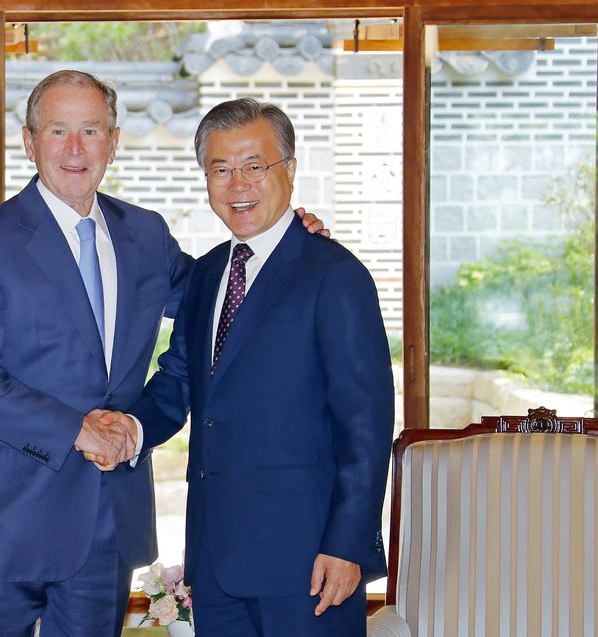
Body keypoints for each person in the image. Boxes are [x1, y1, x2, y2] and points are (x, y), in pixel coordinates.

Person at [0, 71, 327, 636]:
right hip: (6, 523)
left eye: (91, 130)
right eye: (58, 131)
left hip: (107, 520)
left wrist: (284, 244)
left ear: (113, 142)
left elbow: (215, 299)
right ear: (29, 141)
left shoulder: (144, 234)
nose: (75, 149)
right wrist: (77, 429)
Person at [105, 98, 395, 636]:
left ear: (289, 169)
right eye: (220, 168)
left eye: (254, 166)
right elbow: (178, 381)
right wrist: (131, 426)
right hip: (216, 561)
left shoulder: (335, 275)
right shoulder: (209, 273)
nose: (238, 183)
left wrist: (346, 543)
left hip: (308, 562)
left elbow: (366, 425)